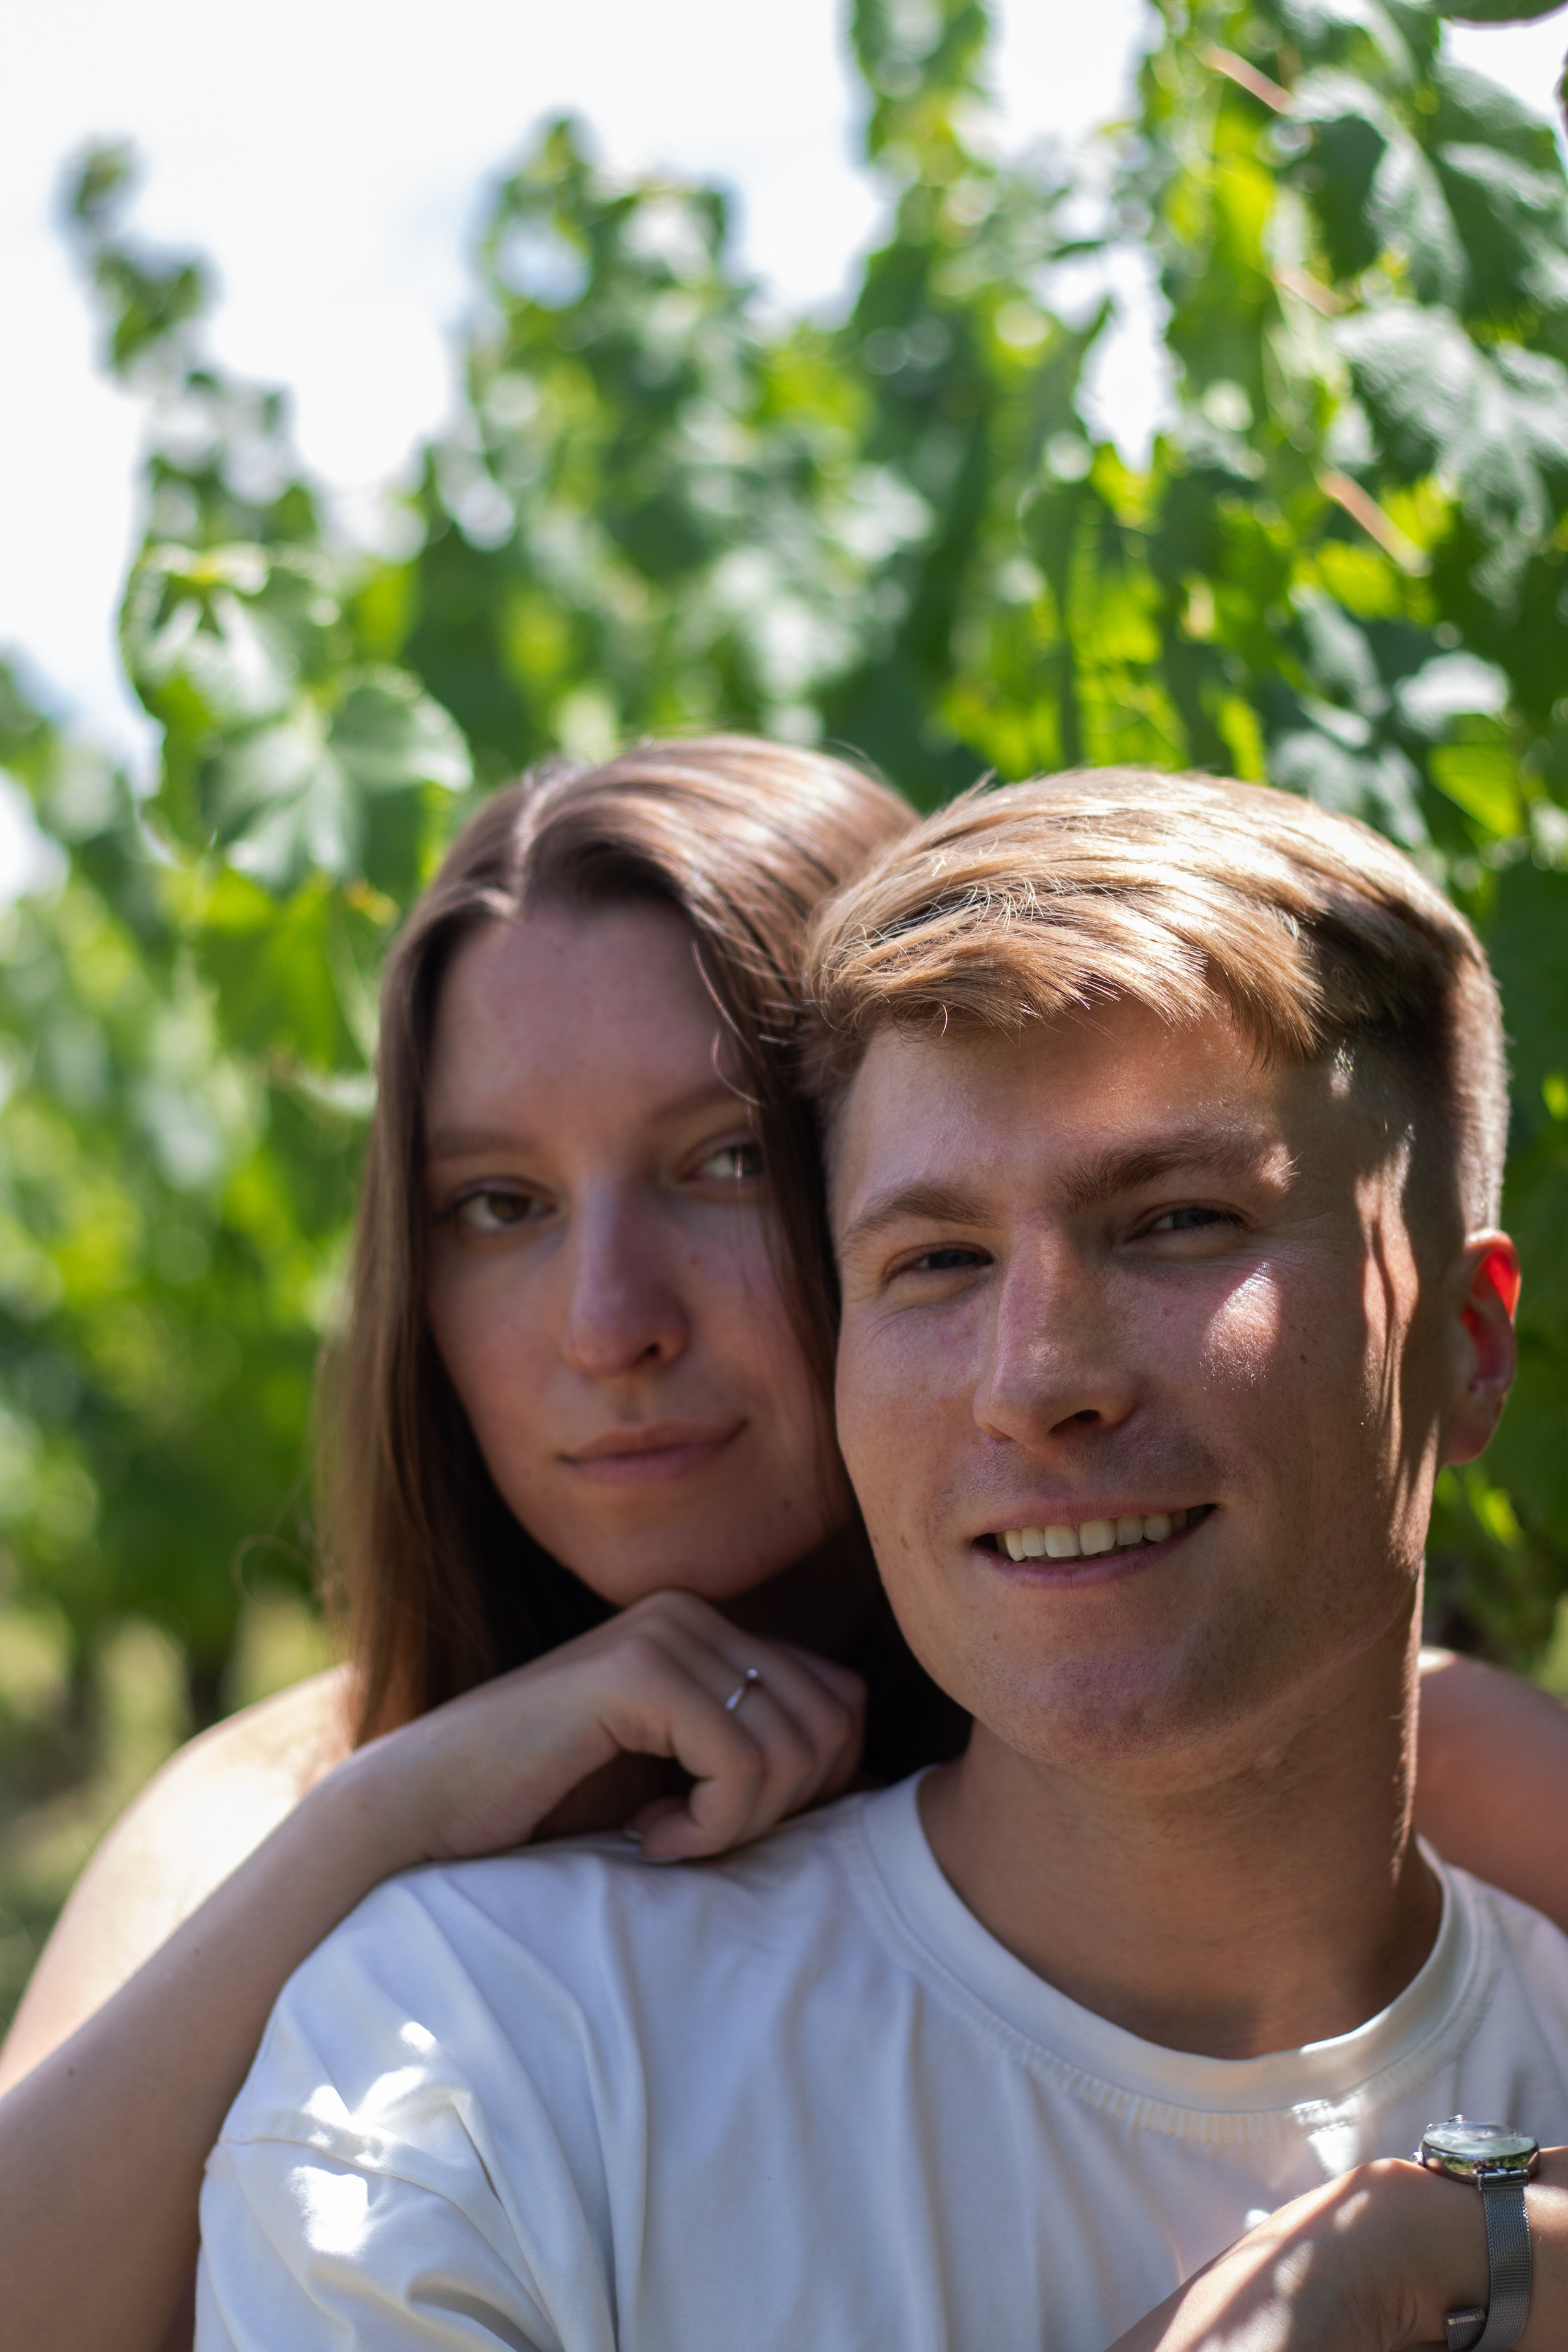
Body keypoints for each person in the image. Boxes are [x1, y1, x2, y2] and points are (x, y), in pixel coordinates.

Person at [195, 768, 1568, 2351]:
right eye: (938, 1260)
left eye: (1180, 1221)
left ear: (1468, 1347)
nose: (1038, 1377)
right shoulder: (465, 2076)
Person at [0, 736, 967, 2352]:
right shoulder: (285, 1800)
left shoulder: (1197, 1740)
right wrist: (395, 1806)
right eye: (500, 1205)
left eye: (724, 1162)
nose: (609, 1324)